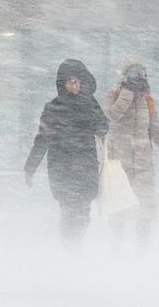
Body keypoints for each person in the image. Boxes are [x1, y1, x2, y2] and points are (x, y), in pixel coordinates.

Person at [23, 58, 109, 248]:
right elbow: (42, 139)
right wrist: (30, 167)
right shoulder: (54, 108)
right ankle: (69, 250)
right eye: (71, 81)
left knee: (84, 214)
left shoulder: (89, 105)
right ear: (63, 84)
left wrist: (91, 107)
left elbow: (103, 129)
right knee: (69, 212)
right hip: (62, 168)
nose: (75, 85)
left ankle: (74, 247)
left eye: (78, 81)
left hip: (86, 167)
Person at [102, 60, 159, 243]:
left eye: (142, 76)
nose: (139, 80)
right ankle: (116, 248)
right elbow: (112, 115)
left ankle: (143, 251)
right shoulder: (113, 96)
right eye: (135, 76)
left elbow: (155, 129)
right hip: (118, 163)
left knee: (146, 210)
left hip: (143, 165)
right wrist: (127, 92)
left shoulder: (148, 102)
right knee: (118, 210)